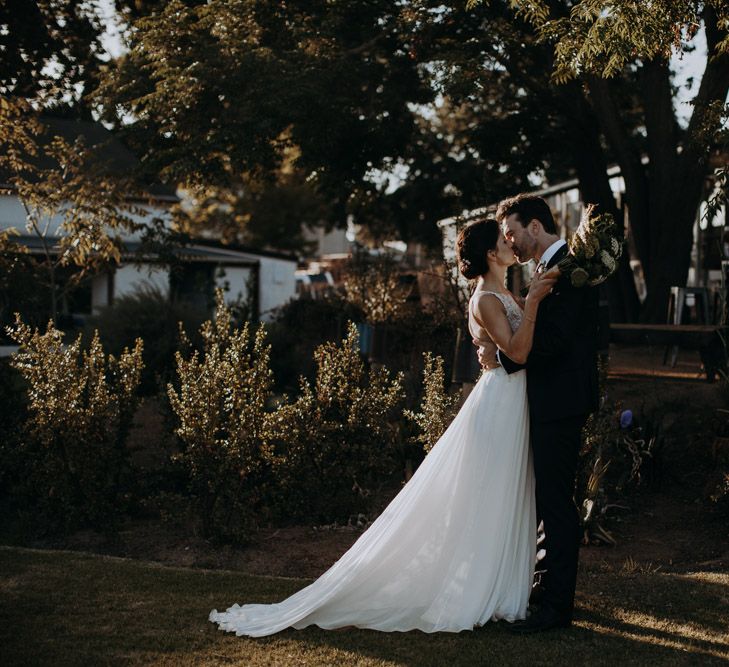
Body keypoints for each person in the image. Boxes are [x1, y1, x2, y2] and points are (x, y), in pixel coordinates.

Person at [208, 217, 556, 637]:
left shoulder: (504, 291)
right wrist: (534, 302)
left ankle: (503, 589)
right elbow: (517, 351)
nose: (510, 243)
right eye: (504, 239)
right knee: (490, 497)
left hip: (513, 401)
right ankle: (479, 591)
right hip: (499, 404)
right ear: (490, 253)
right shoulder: (485, 298)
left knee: (508, 495)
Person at [479, 194, 599, 634]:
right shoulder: (545, 269)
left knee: (555, 502)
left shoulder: (569, 268)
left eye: (511, 231)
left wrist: (505, 357)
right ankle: (545, 590)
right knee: (546, 499)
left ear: (534, 225)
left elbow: (557, 341)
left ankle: (556, 608)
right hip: (548, 398)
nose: (509, 240)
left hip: (561, 399)